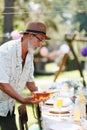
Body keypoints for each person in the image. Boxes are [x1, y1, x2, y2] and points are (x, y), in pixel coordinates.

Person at [0, 22, 50, 130]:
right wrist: (22, 99)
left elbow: (29, 80)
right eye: (40, 39)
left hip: (7, 105)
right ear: (30, 35)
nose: (41, 44)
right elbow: (2, 84)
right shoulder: (6, 51)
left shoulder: (29, 55)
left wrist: (42, 95)